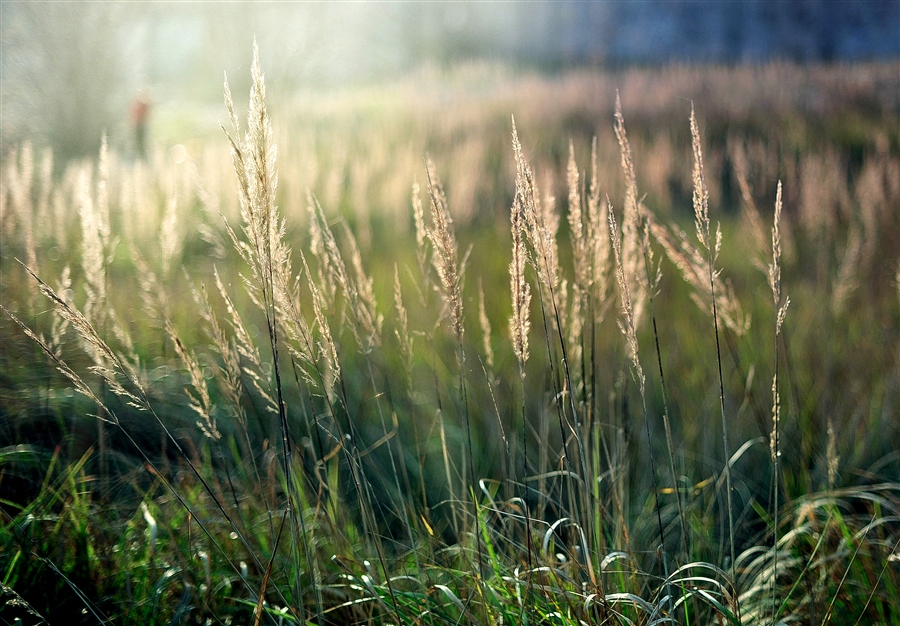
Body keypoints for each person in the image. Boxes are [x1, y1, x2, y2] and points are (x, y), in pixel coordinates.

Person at [130, 91, 151, 159]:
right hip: (137, 126)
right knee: (136, 143)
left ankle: (142, 158)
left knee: (141, 144)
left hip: (141, 126)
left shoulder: (143, 105)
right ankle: (138, 157)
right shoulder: (137, 106)